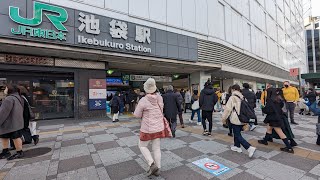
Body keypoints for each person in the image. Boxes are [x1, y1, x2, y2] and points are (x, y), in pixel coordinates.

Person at [134, 78, 166, 177]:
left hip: (147, 129)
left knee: (142, 146)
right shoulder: (160, 98)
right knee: (156, 148)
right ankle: (158, 169)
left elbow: (137, 115)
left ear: (146, 89)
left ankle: (152, 164)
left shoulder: (143, 100)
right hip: (159, 127)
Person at [221, 84, 257, 158]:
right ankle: (237, 146)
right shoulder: (242, 97)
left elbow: (227, 110)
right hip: (242, 118)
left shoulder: (232, 97)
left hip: (235, 118)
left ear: (233, 89)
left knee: (237, 134)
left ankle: (249, 148)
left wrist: (223, 119)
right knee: (236, 132)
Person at [258, 88, 294, 153]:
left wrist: (263, 108)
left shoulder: (270, 100)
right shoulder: (279, 99)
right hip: (276, 117)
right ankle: (265, 141)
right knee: (269, 128)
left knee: (280, 132)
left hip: (274, 119)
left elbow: (268, 110)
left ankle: (289, 148)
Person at [0, 84, 24, 160]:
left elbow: (3, 113)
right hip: (17, 121)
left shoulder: (9, 99)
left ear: (9, 89)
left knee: (10, 137)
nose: (4, 90)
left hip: (9, 123)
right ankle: (17, 152)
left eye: (6, 88)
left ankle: (10, 152)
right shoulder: (18, 97)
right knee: (13, 137)